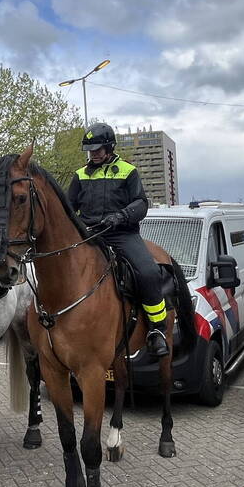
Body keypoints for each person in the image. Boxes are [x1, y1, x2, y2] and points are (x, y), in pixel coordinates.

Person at [67, 122, 171, 357]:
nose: (93, 153)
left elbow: (141, 203)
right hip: (90, 235)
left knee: (148, 272)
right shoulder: (80, 175)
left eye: (97, 149)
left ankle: (157, 329)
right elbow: (68, 208)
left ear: (110, 147)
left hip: (121, 233)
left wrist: (121, 216)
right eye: (90, 149)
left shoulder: (128, 170)